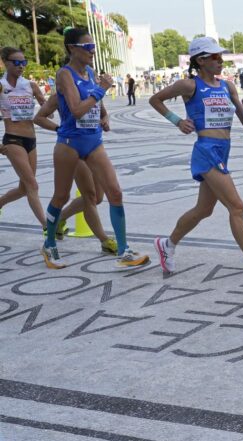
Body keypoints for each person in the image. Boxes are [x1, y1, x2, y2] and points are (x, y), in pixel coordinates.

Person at [149, 37, 243, 280]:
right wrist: (177, 121)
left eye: (220, 56)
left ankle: (167, 245)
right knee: (237, 206)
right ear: (200, 60)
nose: (221, 60)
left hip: (223, 150)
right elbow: (155, 99)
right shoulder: (189, 86)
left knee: (203, 209)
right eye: (215, 57)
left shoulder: (228, 86)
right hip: (206, 150)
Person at [42, 27, 149, 269]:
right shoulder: (64, 75)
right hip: (69, 143)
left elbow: (95, 105)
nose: (93, 51)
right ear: (72, 48)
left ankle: (124, 250)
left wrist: (104, 116)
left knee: (115, 193)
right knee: (61, 196)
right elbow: (77, 108)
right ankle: (49, 244)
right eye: (88, 47)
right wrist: (101, 89)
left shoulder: (90, 72)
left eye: (93, 47)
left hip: (93, 140)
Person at [33, 92, 118, 254]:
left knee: (98, 198)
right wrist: (59, 129)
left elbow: (104, 113)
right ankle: (104, 240)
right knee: (89, 196)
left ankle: (60, 218)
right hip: (73, 148)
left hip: (94, 146)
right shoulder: (60, 95)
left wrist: (105, 121)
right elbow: (39, 117)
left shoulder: (94, 92)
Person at [0, 47, 47, 230]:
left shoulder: (31, 85)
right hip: (13, 140)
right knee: (32, 185)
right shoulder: (1, 85)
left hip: (31, 140)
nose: (21, 66)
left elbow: (46, 106)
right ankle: (47, 227)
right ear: (5, 62)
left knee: (23, 188)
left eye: (24, 62)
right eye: (17, 63)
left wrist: (49, 111)